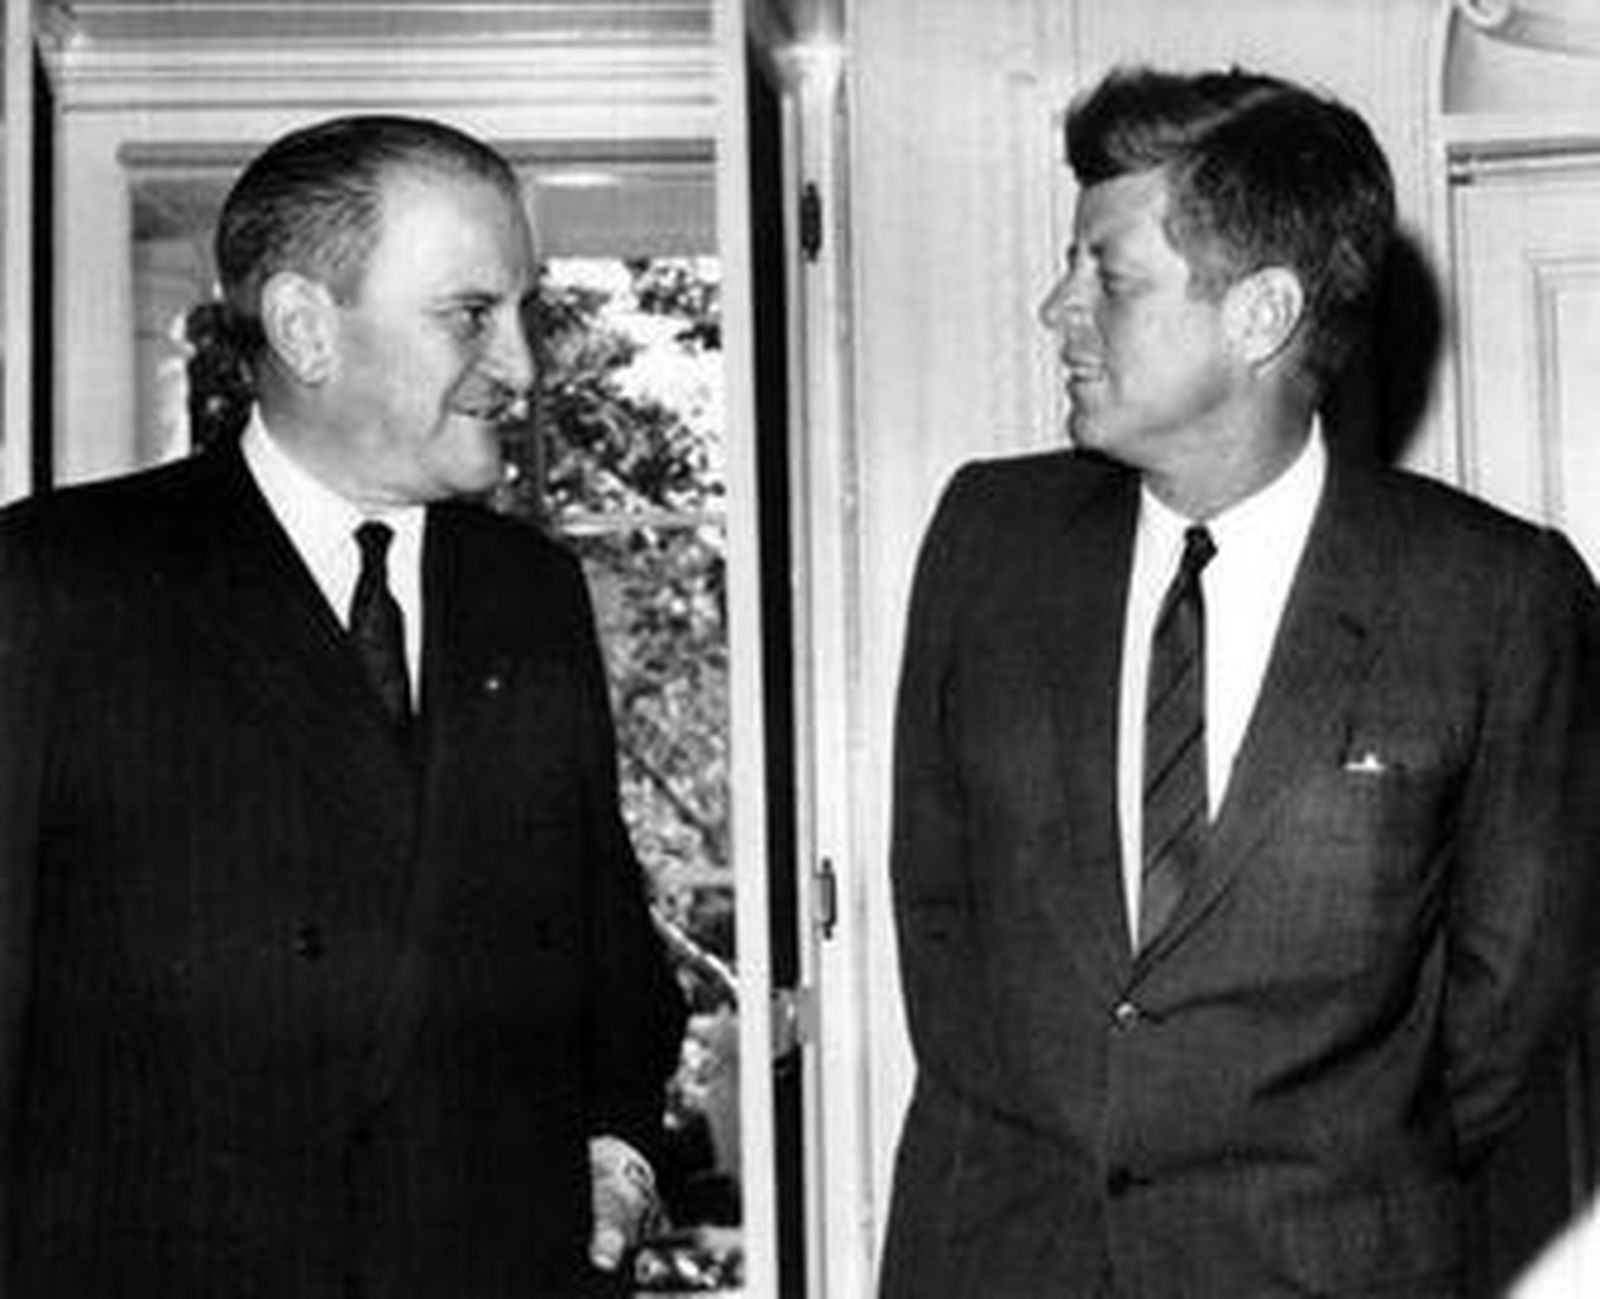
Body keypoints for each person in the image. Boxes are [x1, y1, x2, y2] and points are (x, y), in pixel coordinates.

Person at [879, 66, 1600, 1297]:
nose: (1057, 308)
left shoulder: (1492, 598)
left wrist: (1329, 1174)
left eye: (1108, 276)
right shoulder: (987, 541)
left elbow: (1508, 1013)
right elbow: (936, 918)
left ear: (1261, 314)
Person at [0, 114, 686, 1297]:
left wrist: (618, 1149)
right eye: (470, 314)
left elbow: (604, 941)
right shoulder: (62, 579)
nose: (523, 366)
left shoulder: (529, 594)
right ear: (305, 328)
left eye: (524, 312)